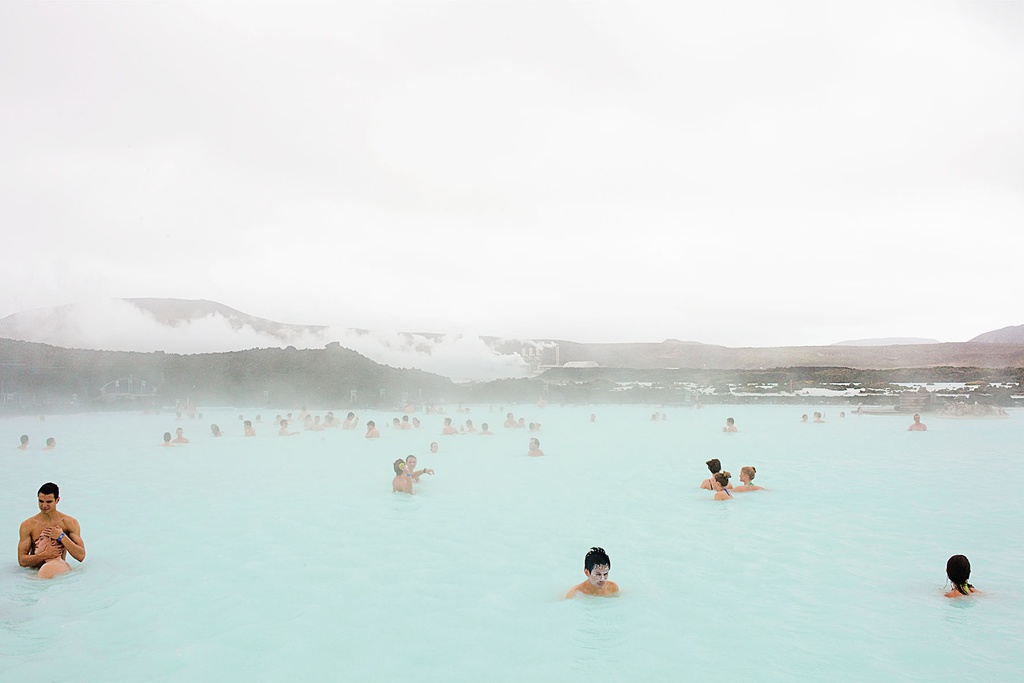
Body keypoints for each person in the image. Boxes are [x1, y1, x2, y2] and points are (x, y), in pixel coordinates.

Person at [18, 482, 86, 579]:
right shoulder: (28, 525)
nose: (44, 505)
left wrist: (61, 536)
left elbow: (81, 556)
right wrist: (44, 555)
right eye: (41, 501)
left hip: (58, 573)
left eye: (49, 502)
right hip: (34, 573)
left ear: (57, 500)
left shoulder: (69, 523)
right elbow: (22, 561)